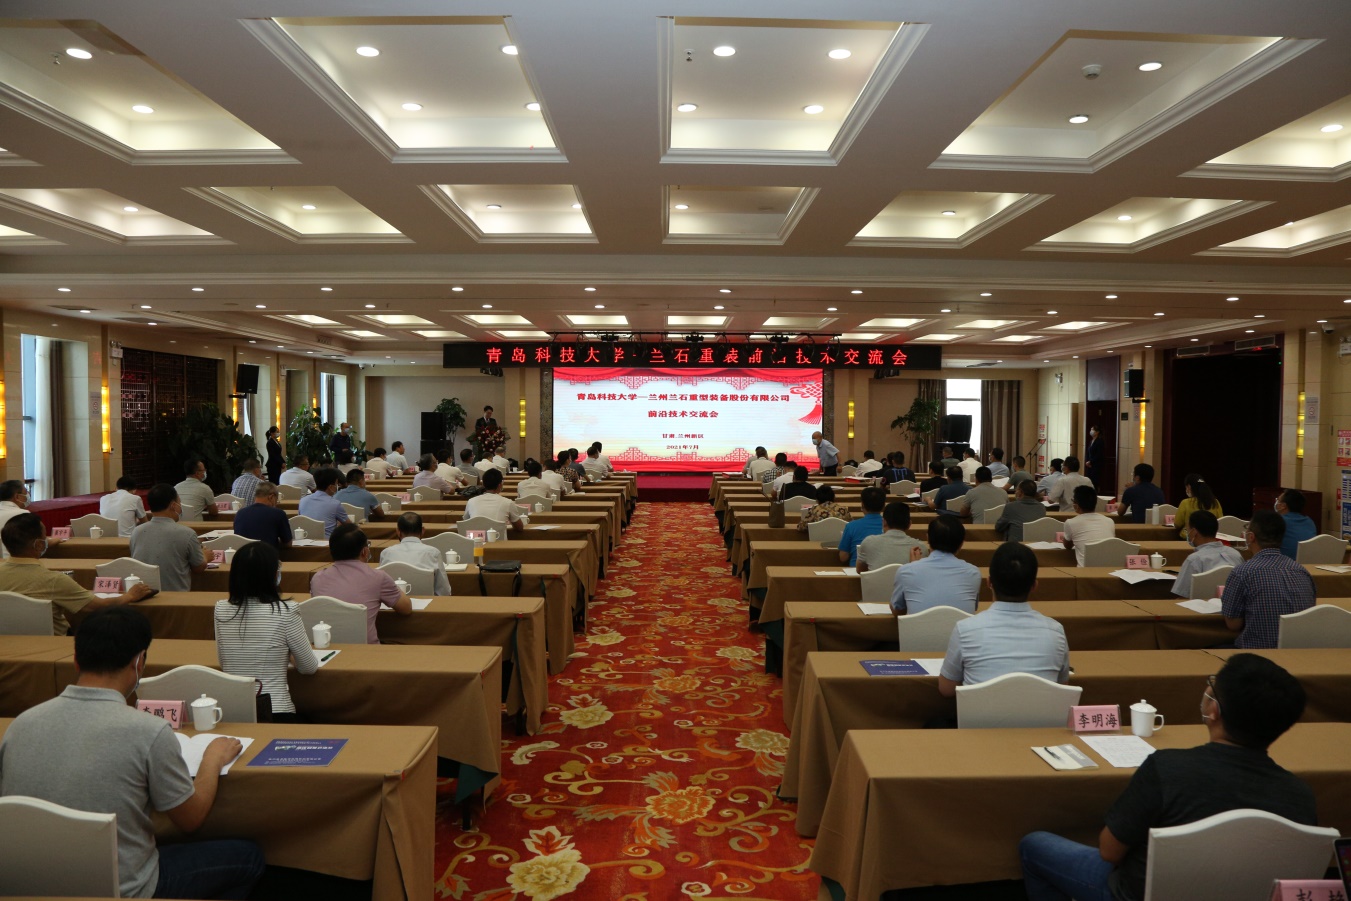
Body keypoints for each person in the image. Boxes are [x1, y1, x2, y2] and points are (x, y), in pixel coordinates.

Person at [0, 606, 265, 899]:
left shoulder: (19, 725)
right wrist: (212, 760)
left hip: (29, 887)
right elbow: (191, 820)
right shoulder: (149, 731)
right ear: (139, 662)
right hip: (124, 889)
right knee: (248, 857)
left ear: (76, 660)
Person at [1019, 654, 1316, 901]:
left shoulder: (1167, 768)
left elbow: (1109, 852)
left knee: (1034, 845)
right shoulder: (1300, 796)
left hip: (1136, 894)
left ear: (1214, 710)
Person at [937, 542, 1069, 693]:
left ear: (989, 582)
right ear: (1034, 586)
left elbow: (946, 689)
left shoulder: (965, 629)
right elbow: (1062, 687)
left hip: (982, 709)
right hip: (1040, 709)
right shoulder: (1056, 632)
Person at [214, 541, 318, 721]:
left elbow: (224, 663)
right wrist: (289, 655)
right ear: (271, 575)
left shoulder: (221, 609)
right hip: (274, 710)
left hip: (233, 710)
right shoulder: (286, 610)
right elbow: (309, 667)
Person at [0, 512, 153, 633]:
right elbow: (100, 606)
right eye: (45, 537)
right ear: (39, 545)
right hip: (56, 642)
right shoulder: (54, 580)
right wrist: (130, 595)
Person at [1222, 510, 1316, 648]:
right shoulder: (1302, 571)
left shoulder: (1242, 572)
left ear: (1251, 537)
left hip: (1257, 653)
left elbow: (1233, 624)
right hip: (1297, 653)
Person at [310, 523, 412, 643]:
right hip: (366, 650)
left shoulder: (317, 578)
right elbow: (406, 608)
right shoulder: (378, 577)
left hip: (328, 647)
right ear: (365, 551)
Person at [890, 516, 981, 615]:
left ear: (928, 538)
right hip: (959, 625)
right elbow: (972, 608)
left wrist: (914, 566)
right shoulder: (973, 573)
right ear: (961, 543)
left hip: (920, 626)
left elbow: (897, 610)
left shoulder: (906, 571)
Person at [129, 484, 207, 592]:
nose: (180, 507)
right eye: (179, 503)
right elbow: (198, 567)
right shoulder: (187, 533)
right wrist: (205, 556)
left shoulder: (136, 532)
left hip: (144, 594)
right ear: (173, 505)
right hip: (177, 596)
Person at [1170, 510, 1244, 599]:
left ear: (1193, 532)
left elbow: (1182, 595)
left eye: (1187, 530)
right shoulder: (1236, 554)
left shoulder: (1194, 560)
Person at [378, 512, 452, 596]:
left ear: (398, 531)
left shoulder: (386, 553)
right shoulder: (433, 553)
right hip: (427, 602)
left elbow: (381, 587)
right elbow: (444, 591)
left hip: (394, 603)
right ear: (423, 530)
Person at [857, 502, 924, 572]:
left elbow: (860, 571)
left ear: (884, 522)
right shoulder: (920, 548)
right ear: (909, 524)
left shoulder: (868, 542)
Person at [1062, 484, 1116, 567]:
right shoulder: (1109, 521)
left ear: (1076, 505)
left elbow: (1067, 546)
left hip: (1085, 569)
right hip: (1107, 568)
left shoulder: (1070, 523)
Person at [233, 481, 293, 549]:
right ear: (271, 497)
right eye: (276, 499)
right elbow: (288, 543)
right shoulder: (278, 514)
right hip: (267, 554)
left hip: (244, 554)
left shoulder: (240, 513)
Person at [837, 486, 886, 567]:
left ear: (862, 505)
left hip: (856, 571)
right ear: (884, 506)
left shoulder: (851, 526)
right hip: (884, 572)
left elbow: (843, 557)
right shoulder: (890, 526)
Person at [296, 466, 349, 537]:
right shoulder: (335, 504)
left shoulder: (303, 500)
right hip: (327, 542)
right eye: (336, 484)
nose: (337, 487)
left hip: (306, 539)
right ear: (330, 487)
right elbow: (349, 526)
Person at [1175, 473, 1222, 539]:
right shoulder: (1215, 502)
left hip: (1189, 539)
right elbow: (1220, 522)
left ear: (1189, 487)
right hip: (1210, 539)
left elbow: (1177, 524)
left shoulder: (1185, 503)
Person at [1275, 489, 1317, 560]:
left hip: (1285, 563)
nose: (1276, 502)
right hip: (1308, 564)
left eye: (1278, 500)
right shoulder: (1309, 522)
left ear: (1283, 506)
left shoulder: (1277, 521)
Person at [174, 457, 217, 522]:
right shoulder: (205, 488)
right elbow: (214, 512)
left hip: (178, 524)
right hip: (196, 526)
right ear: (197, 473)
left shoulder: (176, 487)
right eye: (203, 470)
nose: (205, 472)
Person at [1084, 425, 1104, 490]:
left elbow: (1099, 454)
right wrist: (1087, 461)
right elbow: (1088, 452)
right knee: (1089, 481)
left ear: (1097, 432)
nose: (1091, 431)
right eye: (1091, 429)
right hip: (1089, 465)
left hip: (1096, 465)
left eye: (1092, 430)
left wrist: (1091, 461)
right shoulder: (1091, 441)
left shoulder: (1100, 441)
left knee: (1095, 481)